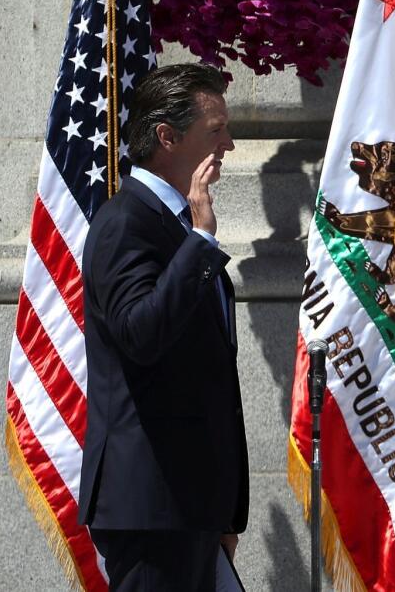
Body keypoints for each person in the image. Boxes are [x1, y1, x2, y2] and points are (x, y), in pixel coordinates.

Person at [78, 63, 248, 590]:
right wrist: (199, 242)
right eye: (215, 129)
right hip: (150, 505)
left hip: (190, 503)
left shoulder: (174, 224)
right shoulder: (125, 221)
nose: (230, 143)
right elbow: (141, 334)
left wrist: (218, 507)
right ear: (167, 137)